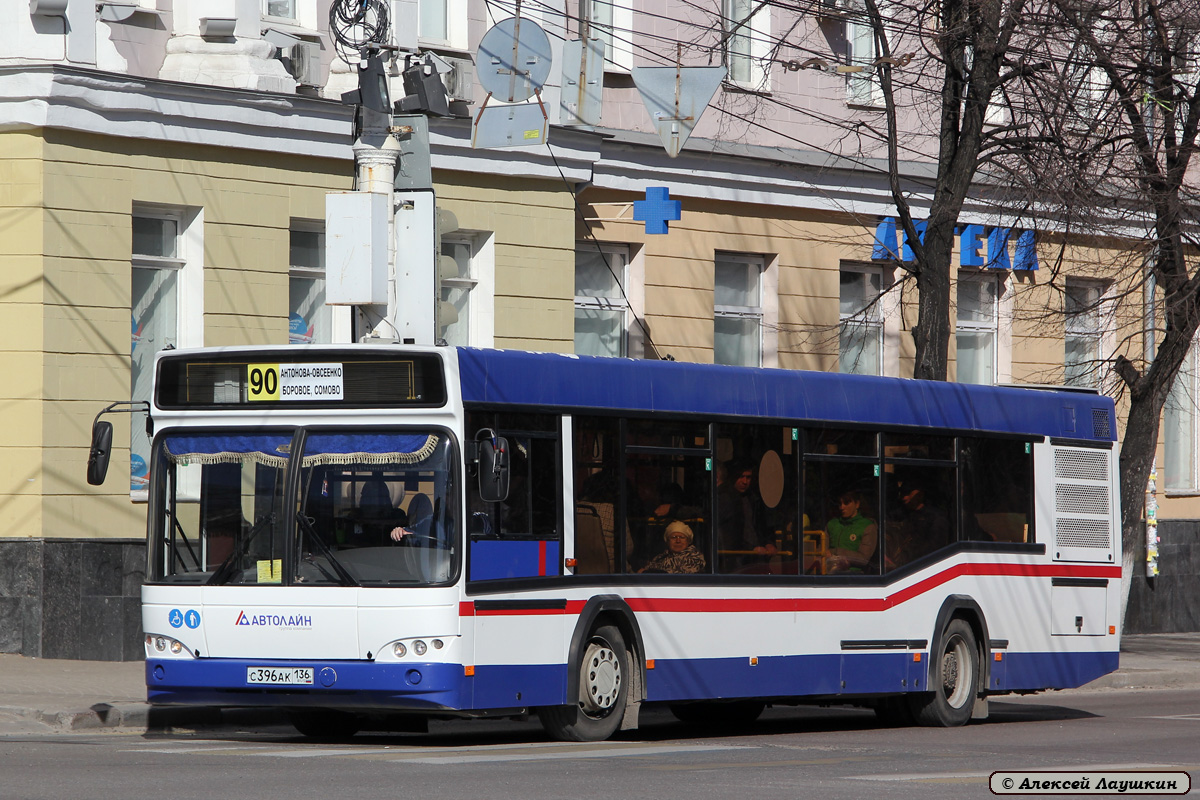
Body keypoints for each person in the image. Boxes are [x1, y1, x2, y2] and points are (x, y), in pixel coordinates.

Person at [887, 479, 951, 568]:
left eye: (908, 493)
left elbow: (934, 547)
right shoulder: (903, 515)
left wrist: (909, 552)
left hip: (923, 566)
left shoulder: (935, 517)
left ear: (918, 494)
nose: (904, 498)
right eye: (902, 494)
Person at [824, 490, 878, 573]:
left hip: (854, 574)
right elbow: (822, 550)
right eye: (840, 504)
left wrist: (835, 553)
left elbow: (863, 559)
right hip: (829, 572)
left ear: (857, 504)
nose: (842, 507)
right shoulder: (832, 524)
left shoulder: (867, 526)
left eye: (846, 503)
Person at [639, 520, 706, 574]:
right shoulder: (659, 558)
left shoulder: (695, 558)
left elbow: (675, 577)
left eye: (682, 537)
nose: (678, 540)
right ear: (667, 541)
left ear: (688, 541)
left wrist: (646, 572)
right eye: (673, 537)